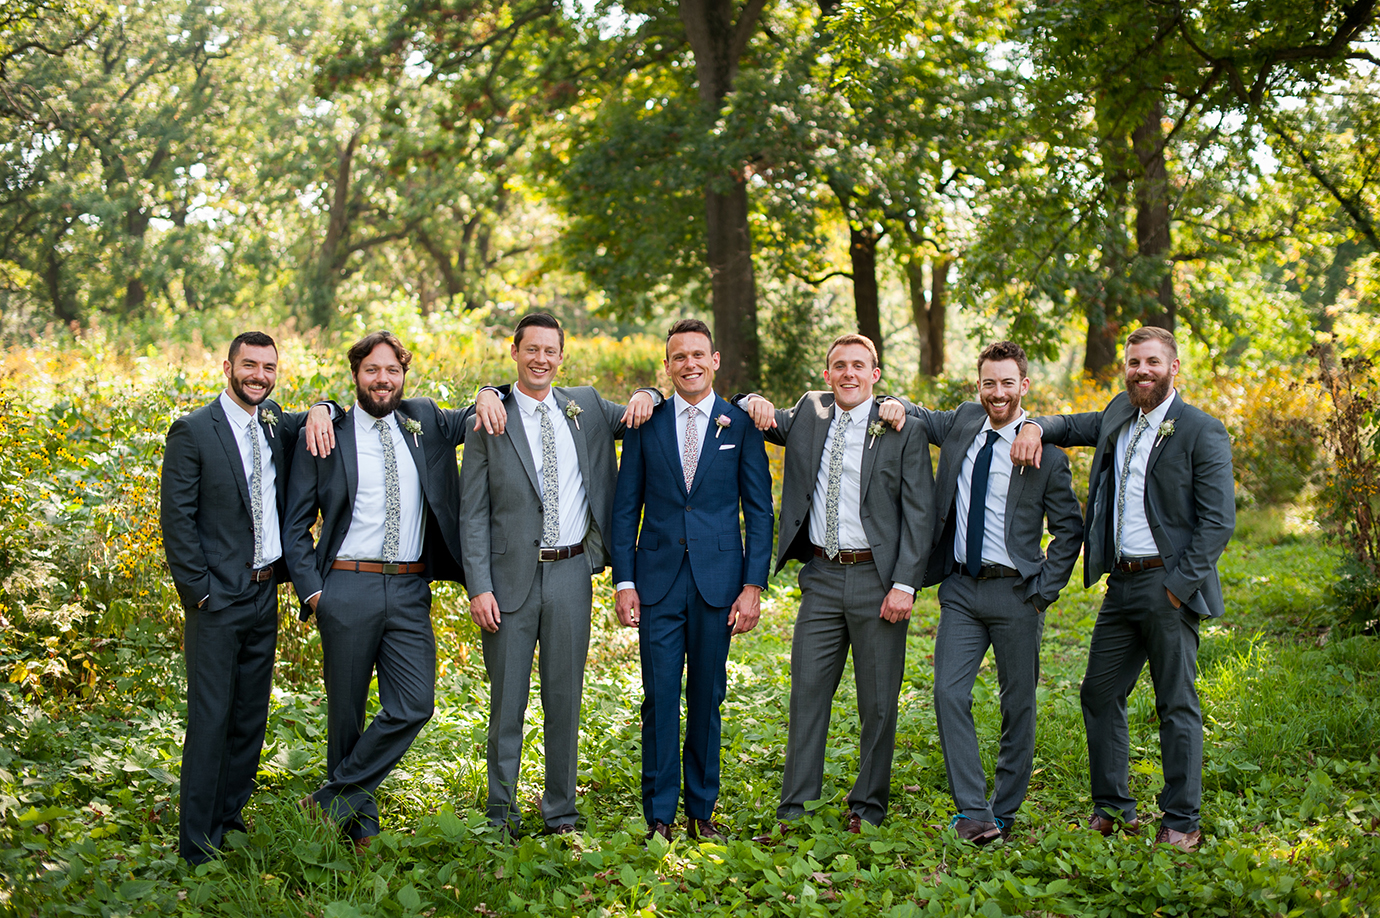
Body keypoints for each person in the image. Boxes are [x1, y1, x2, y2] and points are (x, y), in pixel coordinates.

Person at [1011, 325, 1235, 853]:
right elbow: (1070, 423)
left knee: (1174, 703)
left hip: (1167, 585)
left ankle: (1182, 819)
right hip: (1121, 585)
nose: (1142, 372)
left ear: (1173, 368)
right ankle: (1113, 807)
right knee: (1099, 693)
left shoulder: (1201, 430)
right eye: (1134, 363)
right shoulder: (1118, 413)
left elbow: (1218, 522)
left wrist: (1179, 588)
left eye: (1153, 363)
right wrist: (1035, 427)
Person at [282, 330, 503, 850]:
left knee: (415, 703)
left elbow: (481, 411)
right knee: (347, 713)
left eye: (393, 371)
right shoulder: (327, 431)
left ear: (404, 375)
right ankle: (359, 828)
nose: (383, 380)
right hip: (345, 585)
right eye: (372, 371)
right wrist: (315, 593)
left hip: (408, 589)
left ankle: (329, 799)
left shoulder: (425, 420)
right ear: (355, 374)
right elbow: (295, 524)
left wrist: (491, 390)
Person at [459, 312, 661, 837]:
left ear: (562, 356)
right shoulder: (489, 416)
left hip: (572, 574)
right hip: (507, 582)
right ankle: (500, 814)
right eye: (532, 350)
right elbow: (473, 512)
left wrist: (648, 392)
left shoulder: (587, 406)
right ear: (515, 352)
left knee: (564, 699)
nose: (541, 359)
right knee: (507, 702)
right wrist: (478, 585)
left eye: (551, 351)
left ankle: (561, 812)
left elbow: (646, 409)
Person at [733, 333, 933, 836]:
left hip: (878, 579)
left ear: (875, 374)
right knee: (807, 694)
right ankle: (794, 810)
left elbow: (920, 513)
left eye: (858, 366)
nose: (848, 374)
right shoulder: (808, 413)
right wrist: (748, 400)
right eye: (839, 366)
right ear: (827, 375)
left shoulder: (898, 426)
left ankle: (867, 807)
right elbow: (755, 412)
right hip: (820, 577)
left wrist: (906, 583)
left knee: (879, 701)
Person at [159, 331, 333, 864]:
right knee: (211, 719)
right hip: (217, 602)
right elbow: (177, 521)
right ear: (228, 366)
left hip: (265, 595)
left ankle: (228, 820)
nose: (259, 375)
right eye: (250, 365)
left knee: (250, 718)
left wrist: (323, 405)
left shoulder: (275, 421)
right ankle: (195, 844)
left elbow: (321, 418)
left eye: (268, 367)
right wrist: (200, 594)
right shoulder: (193, 431)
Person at [908, 341, 1083, 845]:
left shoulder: (1045, 455)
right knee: (947, 692)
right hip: (962, 588)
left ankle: (1004, 809)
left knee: (1017, 705)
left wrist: (1043, 590)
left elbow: (1070, 529)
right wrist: (893, 403)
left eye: (1008, 383)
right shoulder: (964, 422)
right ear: (978, 384)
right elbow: (920, 415)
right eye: (989, 383)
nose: (998, 393)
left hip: (1016, 594)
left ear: (1024, 385)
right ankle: (973, 811)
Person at [610, 318, 773, 843]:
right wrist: (624, 581)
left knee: (707, 696)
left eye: (699, 355)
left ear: (716, 359)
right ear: (667, 364)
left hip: (718, 582)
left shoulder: (739, 423)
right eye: (679, 356)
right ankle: (658, 815)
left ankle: (701, 811)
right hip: (656, 580)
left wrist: (753, 585)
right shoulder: (646, 422)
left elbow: (760, 510)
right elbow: (624, 507)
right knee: (659, 698)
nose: (690, 364)